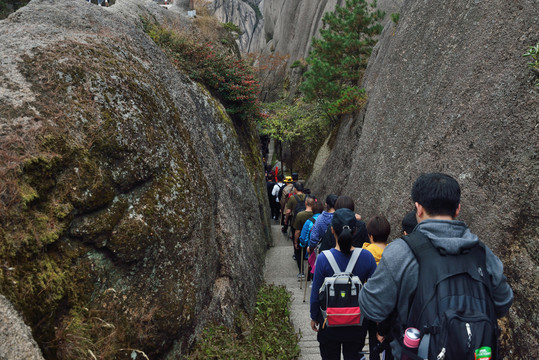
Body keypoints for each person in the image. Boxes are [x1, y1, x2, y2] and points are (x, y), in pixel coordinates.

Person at [358, 173, 514, 358]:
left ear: (419, 208)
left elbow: (372, 308)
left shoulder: (400, 252)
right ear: (457, 209)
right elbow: (503, 303)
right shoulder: (482, 254)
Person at [310, 209, 377, 360]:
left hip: (329, 323)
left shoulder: (323, 258)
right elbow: (376, 290)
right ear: (355, 231)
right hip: (357, 324)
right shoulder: (366, 256)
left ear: (332, 230)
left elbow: (316, 293)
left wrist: (314, 316)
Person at [362, 215, 393, 360]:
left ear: (371, 236)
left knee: (372, 341)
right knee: (387, 341)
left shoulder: (365, 253)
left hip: (370, 305)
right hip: (388, 306)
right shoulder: (393, 253)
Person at [293, 195, 316, 279]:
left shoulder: (300, 215)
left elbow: (297, 231)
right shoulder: (316, 215)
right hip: (313, 239)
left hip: (303, 239)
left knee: (299, 254)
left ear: (306, 203)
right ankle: (310, 272)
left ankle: (301, 272)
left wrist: (296, 242)